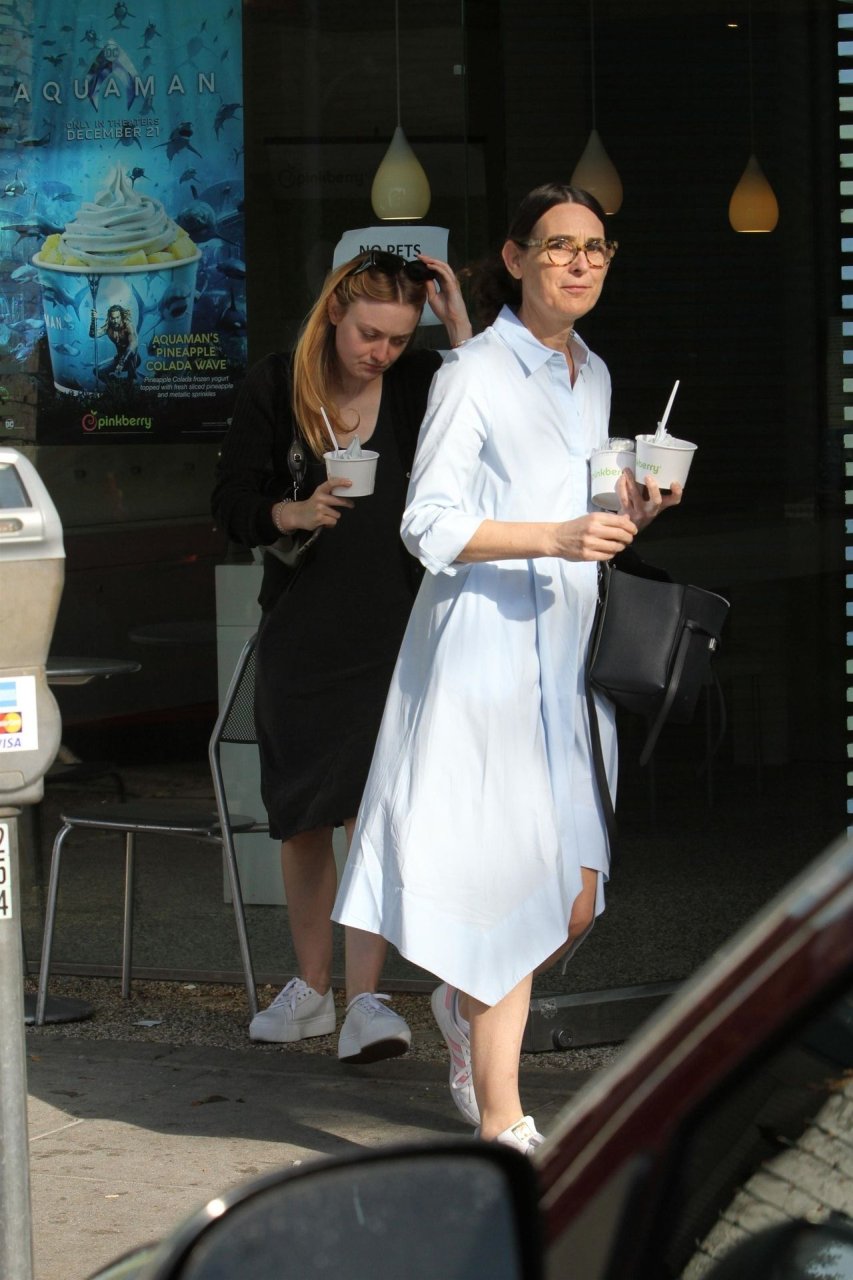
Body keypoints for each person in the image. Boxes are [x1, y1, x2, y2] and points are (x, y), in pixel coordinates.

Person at [332, 183, 683, 1152]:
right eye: (559, 246)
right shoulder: (473, 372)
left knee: (574, 896)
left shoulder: (592, 372)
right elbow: (426, 523)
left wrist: (630, 507)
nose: (580, 263)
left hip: (570, 648)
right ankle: (503, 1118)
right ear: (516, 258)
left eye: (595, 249)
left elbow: (585, 504)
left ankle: (456, 1004)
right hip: (484, 651)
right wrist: (553, 536)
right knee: (510, 892)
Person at [211, 249, 472, 1063]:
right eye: (369, 335)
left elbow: (489, 413)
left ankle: (366, 998)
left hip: (397, 627)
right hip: (301, 629)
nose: (381, 353)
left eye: (397, 338)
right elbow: (228, 502)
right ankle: (310, 989)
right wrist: (290, 512)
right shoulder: (277, 383)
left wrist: (458, 323)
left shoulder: (423, 379)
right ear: (335, 312)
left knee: (372, 816)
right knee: (302, 819)